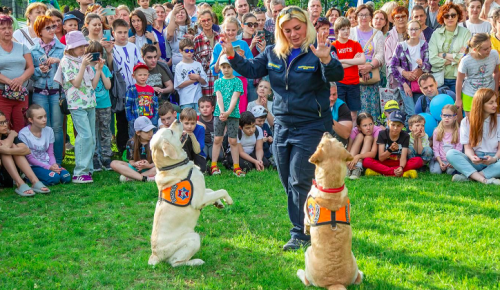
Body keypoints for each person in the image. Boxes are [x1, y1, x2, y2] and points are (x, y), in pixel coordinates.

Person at [224, 6, 344, 250]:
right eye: (287, 30)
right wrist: (232, 55)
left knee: (300, 180)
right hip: (282, 126)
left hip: (311, 126)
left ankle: (301, 233)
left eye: (297, 28)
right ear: (280, 31)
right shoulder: (272, 53)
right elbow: (250, 69)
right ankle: (315, 219)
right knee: (287, 181)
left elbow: (337, 73)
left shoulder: (316, 52)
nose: (293, 34)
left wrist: (326, 59)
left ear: (306, 26)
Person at [56, 31, 102, 184]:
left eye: (84, 46)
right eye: (79, 46)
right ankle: (79, 172)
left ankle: (87, 169)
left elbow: (93, 86)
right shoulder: (66, 61)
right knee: (85, 136)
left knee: (91, 138)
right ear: (70, 48)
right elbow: (75, 83)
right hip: (77, 104)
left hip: (90, 102)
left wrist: (98, 70)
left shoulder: (82, 60)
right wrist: (83, 65)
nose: (83, 49)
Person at [30, 15, 65, 164]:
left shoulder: (62, 49)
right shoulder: (33, 50)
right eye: (48, 27)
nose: (53, 30)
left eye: (54, 26)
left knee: (56, 127)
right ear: (39, 31)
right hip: (39, 92)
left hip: (56, 92)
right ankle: (43, 160)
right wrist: (39, 70)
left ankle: (57, 161)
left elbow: (70, 71)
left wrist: (59, 62)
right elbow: (29, 72)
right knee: (42, 127)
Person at [447, 88, 500, 185]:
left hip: (495, 160)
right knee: (451, 154)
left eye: (495, 101)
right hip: (477, 160)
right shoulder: (466, 121)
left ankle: (472, 177)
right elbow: (467, 148)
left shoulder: (499, 120)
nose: (495, 105)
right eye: (491, 102)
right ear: (480, 104)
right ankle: (485, 180)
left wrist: (494, 158)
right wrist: (472, 157)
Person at [389, 20, 431, 127]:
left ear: (420, 30)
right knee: (411, 112)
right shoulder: (401, 46)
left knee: (418, 112)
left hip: (419, 85)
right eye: (411, 29)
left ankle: (417, 137)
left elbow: (429, 66)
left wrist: (422, 65)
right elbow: (393, 66)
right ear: (407, 31)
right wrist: (404, 82)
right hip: (405, 85)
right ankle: (408, 136)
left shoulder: (424, 45)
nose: (413, 31)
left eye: (416, 29)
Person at [0, 110, 50, 196]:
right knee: (9, 149)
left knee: (14, 147)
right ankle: (20, 183)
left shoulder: (7, 135)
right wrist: (12, 135)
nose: (5, 125)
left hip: (8, 175)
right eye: (1, 123)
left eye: (5, 121)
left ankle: (34, 181)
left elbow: (26, 150)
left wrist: (8, 149)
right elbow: (5, 147)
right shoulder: (11, 134)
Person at [18, 104, 71, 185]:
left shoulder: (49, 130)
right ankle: (27, 178)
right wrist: (48, 168)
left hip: (48, 163)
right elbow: (29, 158)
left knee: (66, 177)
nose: (44, 120)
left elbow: (50, 153)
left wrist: (54, 165)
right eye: (40, 118)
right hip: (33, 166)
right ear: (31, 120)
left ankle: (48, 177)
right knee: (55, 178)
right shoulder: (23, 134)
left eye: (45, 116)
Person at [112, 19, 144, 153]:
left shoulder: (133, 47)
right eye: (119, 32)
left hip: (133, 88)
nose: (123, 35)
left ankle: (136, 146)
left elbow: (140, 63)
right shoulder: (111, 48)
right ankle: (122, 147)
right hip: (119, 89)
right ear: (113, 33)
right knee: (121, 120)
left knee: (135, 117)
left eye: (125, 32)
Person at [350, 5, 385, 125]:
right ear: (356, 17)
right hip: (355, 76)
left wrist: (369, 67)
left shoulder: (378, 34)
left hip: (372, 75)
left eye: (366, 14)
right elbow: (348, 53)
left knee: (372, 108)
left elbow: (381, 54)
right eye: (361, 14)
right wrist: (360, 68)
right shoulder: (351, 32)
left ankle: (372, 134)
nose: (363, 17)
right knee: (355, 111)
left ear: (371, 17)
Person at [210, 17, 253, 113]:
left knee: (240, 109)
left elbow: (251, 64)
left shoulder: (243, 44)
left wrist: (243, 57)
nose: (230, 32)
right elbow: (215, 70)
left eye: (233, 30)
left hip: (240, 79)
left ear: (238, 29)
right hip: (224, 81)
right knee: (224, 108)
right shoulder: (218, 46)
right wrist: (221, 54)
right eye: (228, 30)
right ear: (223, 30)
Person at [210, 54, 244, 176]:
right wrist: (222, 112)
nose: (226, 69)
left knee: (233, 140)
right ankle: (213, 165)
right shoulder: (218, 82)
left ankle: (236, 166)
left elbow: (235, 97)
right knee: (218, 138)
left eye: (228, 67)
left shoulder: (237, 81)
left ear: (232, 67)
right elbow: (218, 97)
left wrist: (228, 112)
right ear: (220, 68)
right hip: (219, 113)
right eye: (223, 67)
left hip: (233, 114)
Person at [363, 110, 424, 177]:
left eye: (398, 126)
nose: (395, 128)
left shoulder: (405, 136)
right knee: (366, 161)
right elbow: (381, 158)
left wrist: (401, 167)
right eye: (393, 125)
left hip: (398, 163)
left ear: (402, 126)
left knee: (419, 160)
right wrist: (390, 150)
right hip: (384, 163)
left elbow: (403, 157)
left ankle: (383, 172)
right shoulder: (382, 134)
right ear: (388, 123)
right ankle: (397, 173)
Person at [0, 15, 35, 133]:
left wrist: (20, 80)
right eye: (3, 28)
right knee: (3, 127)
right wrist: (10, 82)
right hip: (1, 95)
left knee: (21, 126)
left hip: (21, 94)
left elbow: (30, 68)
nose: (7, 31)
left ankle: (21, 150)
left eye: (9, 28)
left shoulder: (22, 47)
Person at [428, 3, 471, 93]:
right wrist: (455, 59)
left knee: (455, 106)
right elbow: (432, 59)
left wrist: (443, 55)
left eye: (453, 15)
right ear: (442, 18)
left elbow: (466, 57)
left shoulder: (465, 33)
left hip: (457, 79)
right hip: (439, 79)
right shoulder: (436, 34)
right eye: (446, 16)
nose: (450, 18)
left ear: (458, 16)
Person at [85, 41, 113, 171]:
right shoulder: (86, 69)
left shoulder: (105, 68)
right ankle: (95, 157)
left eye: (99, 54)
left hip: (105, 104)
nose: (97, 57)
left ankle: (106, 157)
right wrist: (96, 71)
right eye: (94, 54)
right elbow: (93, 86)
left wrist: (101, 70)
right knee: (93, 132)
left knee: (105, 131)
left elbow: (108, 86)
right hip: (92, 105)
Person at [456, 33, 499, 117]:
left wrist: (496, 90)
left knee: (489, 122)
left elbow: (496, 72)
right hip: (470, 94)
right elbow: (459, 80)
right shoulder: (466, 61)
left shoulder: (494, 54)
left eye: (490, 47)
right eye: (485, 49)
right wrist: (458, 99)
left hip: (488, 93)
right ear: (475, 49)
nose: (489, 50)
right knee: (472, 123)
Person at [333, 17, 366, 123]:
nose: (346, 31)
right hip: (339, 83)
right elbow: (335, 66)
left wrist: (342, 61)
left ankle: (352, 136)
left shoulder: (355, 44)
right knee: (340, 112)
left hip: (354, 83)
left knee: (353, 114)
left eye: (348, 28)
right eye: (343, 29)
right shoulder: (333, 46)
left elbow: (362, 60)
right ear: (337, 31)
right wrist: (353, 61)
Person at [386, 6, 425, 90]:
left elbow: (424, 54)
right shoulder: (389, 37)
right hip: (398, 80)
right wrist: (404, 73)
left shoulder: (419, 33)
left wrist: (419, 70)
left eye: (403, 16)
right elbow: (389, 62)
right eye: (397, 17)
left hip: (417, 77)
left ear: (408, 17)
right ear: (393, 19)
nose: (401, 19)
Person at [111, 116, 156, 182]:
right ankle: (144, 178)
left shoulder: (156, 141)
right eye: (146, 132)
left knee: (163, 167)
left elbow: (159, 162)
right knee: (113, 163)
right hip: (136, 168)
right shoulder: (131, 142)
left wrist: (149, 165)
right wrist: (136, 164)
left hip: (151, 168)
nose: (150, 134)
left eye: (151, 130)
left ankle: (133, 177)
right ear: (138, 133)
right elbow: (131, 161)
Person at [126, 62, 159, 137]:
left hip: (150, 121)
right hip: (136, 121)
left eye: (145, 75)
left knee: (150, 138)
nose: (143, 77)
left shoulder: (151, 89)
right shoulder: (132, 90)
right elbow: (128, 106)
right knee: (135, 139)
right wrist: (131, 120)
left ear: (148, 75)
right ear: (134, 76)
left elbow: (155, 104)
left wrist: (155, 118)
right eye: (140, 75)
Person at [174, 39, 208, 110]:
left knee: (198, 119)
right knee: (187, 119)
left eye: (192, 51)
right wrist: (194, 80)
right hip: (185, 100)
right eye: (186, 51)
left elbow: (205, 82)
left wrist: (198, 78)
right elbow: (179, 84)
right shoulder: (179, 66)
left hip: (198, 99)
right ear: (181, 51)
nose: (189, 53)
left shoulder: (198, 64)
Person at [194, 10, 221, 99]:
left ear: (212, 20)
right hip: (207, 84)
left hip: (221, 80)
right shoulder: (197, 40)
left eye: (208, 20)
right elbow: (195, 64)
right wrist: (209, 64)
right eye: (203, 21)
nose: (206, 23)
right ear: (200, 23)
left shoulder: (221, 38)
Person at [347, 112, 382, 179]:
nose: (368, 128)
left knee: (368, 137)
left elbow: (373, 153)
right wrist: (347, 160)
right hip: (354, 156)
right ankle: (349, 167)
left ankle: (358, 168)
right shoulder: (355, 131)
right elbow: (348, 149)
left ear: (373, 123)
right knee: (360, 135)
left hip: (368, 156)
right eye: (365, 125)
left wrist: (358, 156)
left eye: (370, 124)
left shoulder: (378, 131)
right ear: (359, 127)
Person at [431, 104, 462, 174]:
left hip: (452, 160)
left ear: (455, 117)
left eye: (450, 116)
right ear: (441, 116)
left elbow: (459, 149)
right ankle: (433, 162)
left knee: (450, 172)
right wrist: (440, 162)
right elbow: (435, 148)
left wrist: (453, 162)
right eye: (444, 115)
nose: (447, 118)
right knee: (435, 172)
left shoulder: (458, 131)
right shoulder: (437, 131)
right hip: (440, 159)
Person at [166, 3, 193, 72]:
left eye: (182, 12)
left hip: (192, 65)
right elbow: (170, 35)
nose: (180, 14)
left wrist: (193, 39)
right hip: (177, 67)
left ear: (187, 16)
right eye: (177, 13)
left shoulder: (193, 28)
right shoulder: (170, 29)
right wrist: (173, 14)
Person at [180, 107, 206, 173]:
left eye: (192, 123)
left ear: (196, 122)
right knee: (186, 139)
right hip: (183, 155)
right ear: (181, 121)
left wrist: (191, 135)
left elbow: (197, 151)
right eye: (186, 123)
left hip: (197, 155)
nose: (189, 126)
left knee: (202, 169)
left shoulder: (200, 129)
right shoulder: (178, 130)